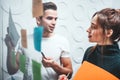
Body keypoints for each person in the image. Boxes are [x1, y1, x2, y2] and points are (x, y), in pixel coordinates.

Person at [4, 2, 73, 80]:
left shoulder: (62, 41)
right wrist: (10, 48)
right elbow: (12, 70)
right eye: (49, 18)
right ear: (38, 19)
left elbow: (69, 73)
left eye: (55, 19)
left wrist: (54, 65)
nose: (54, 22)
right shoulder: (24, 40)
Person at [58, 8, 120, 80]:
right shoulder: (89, 52)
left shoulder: (118, 63)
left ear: (108, 33)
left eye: (93, 27)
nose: (88, 30)